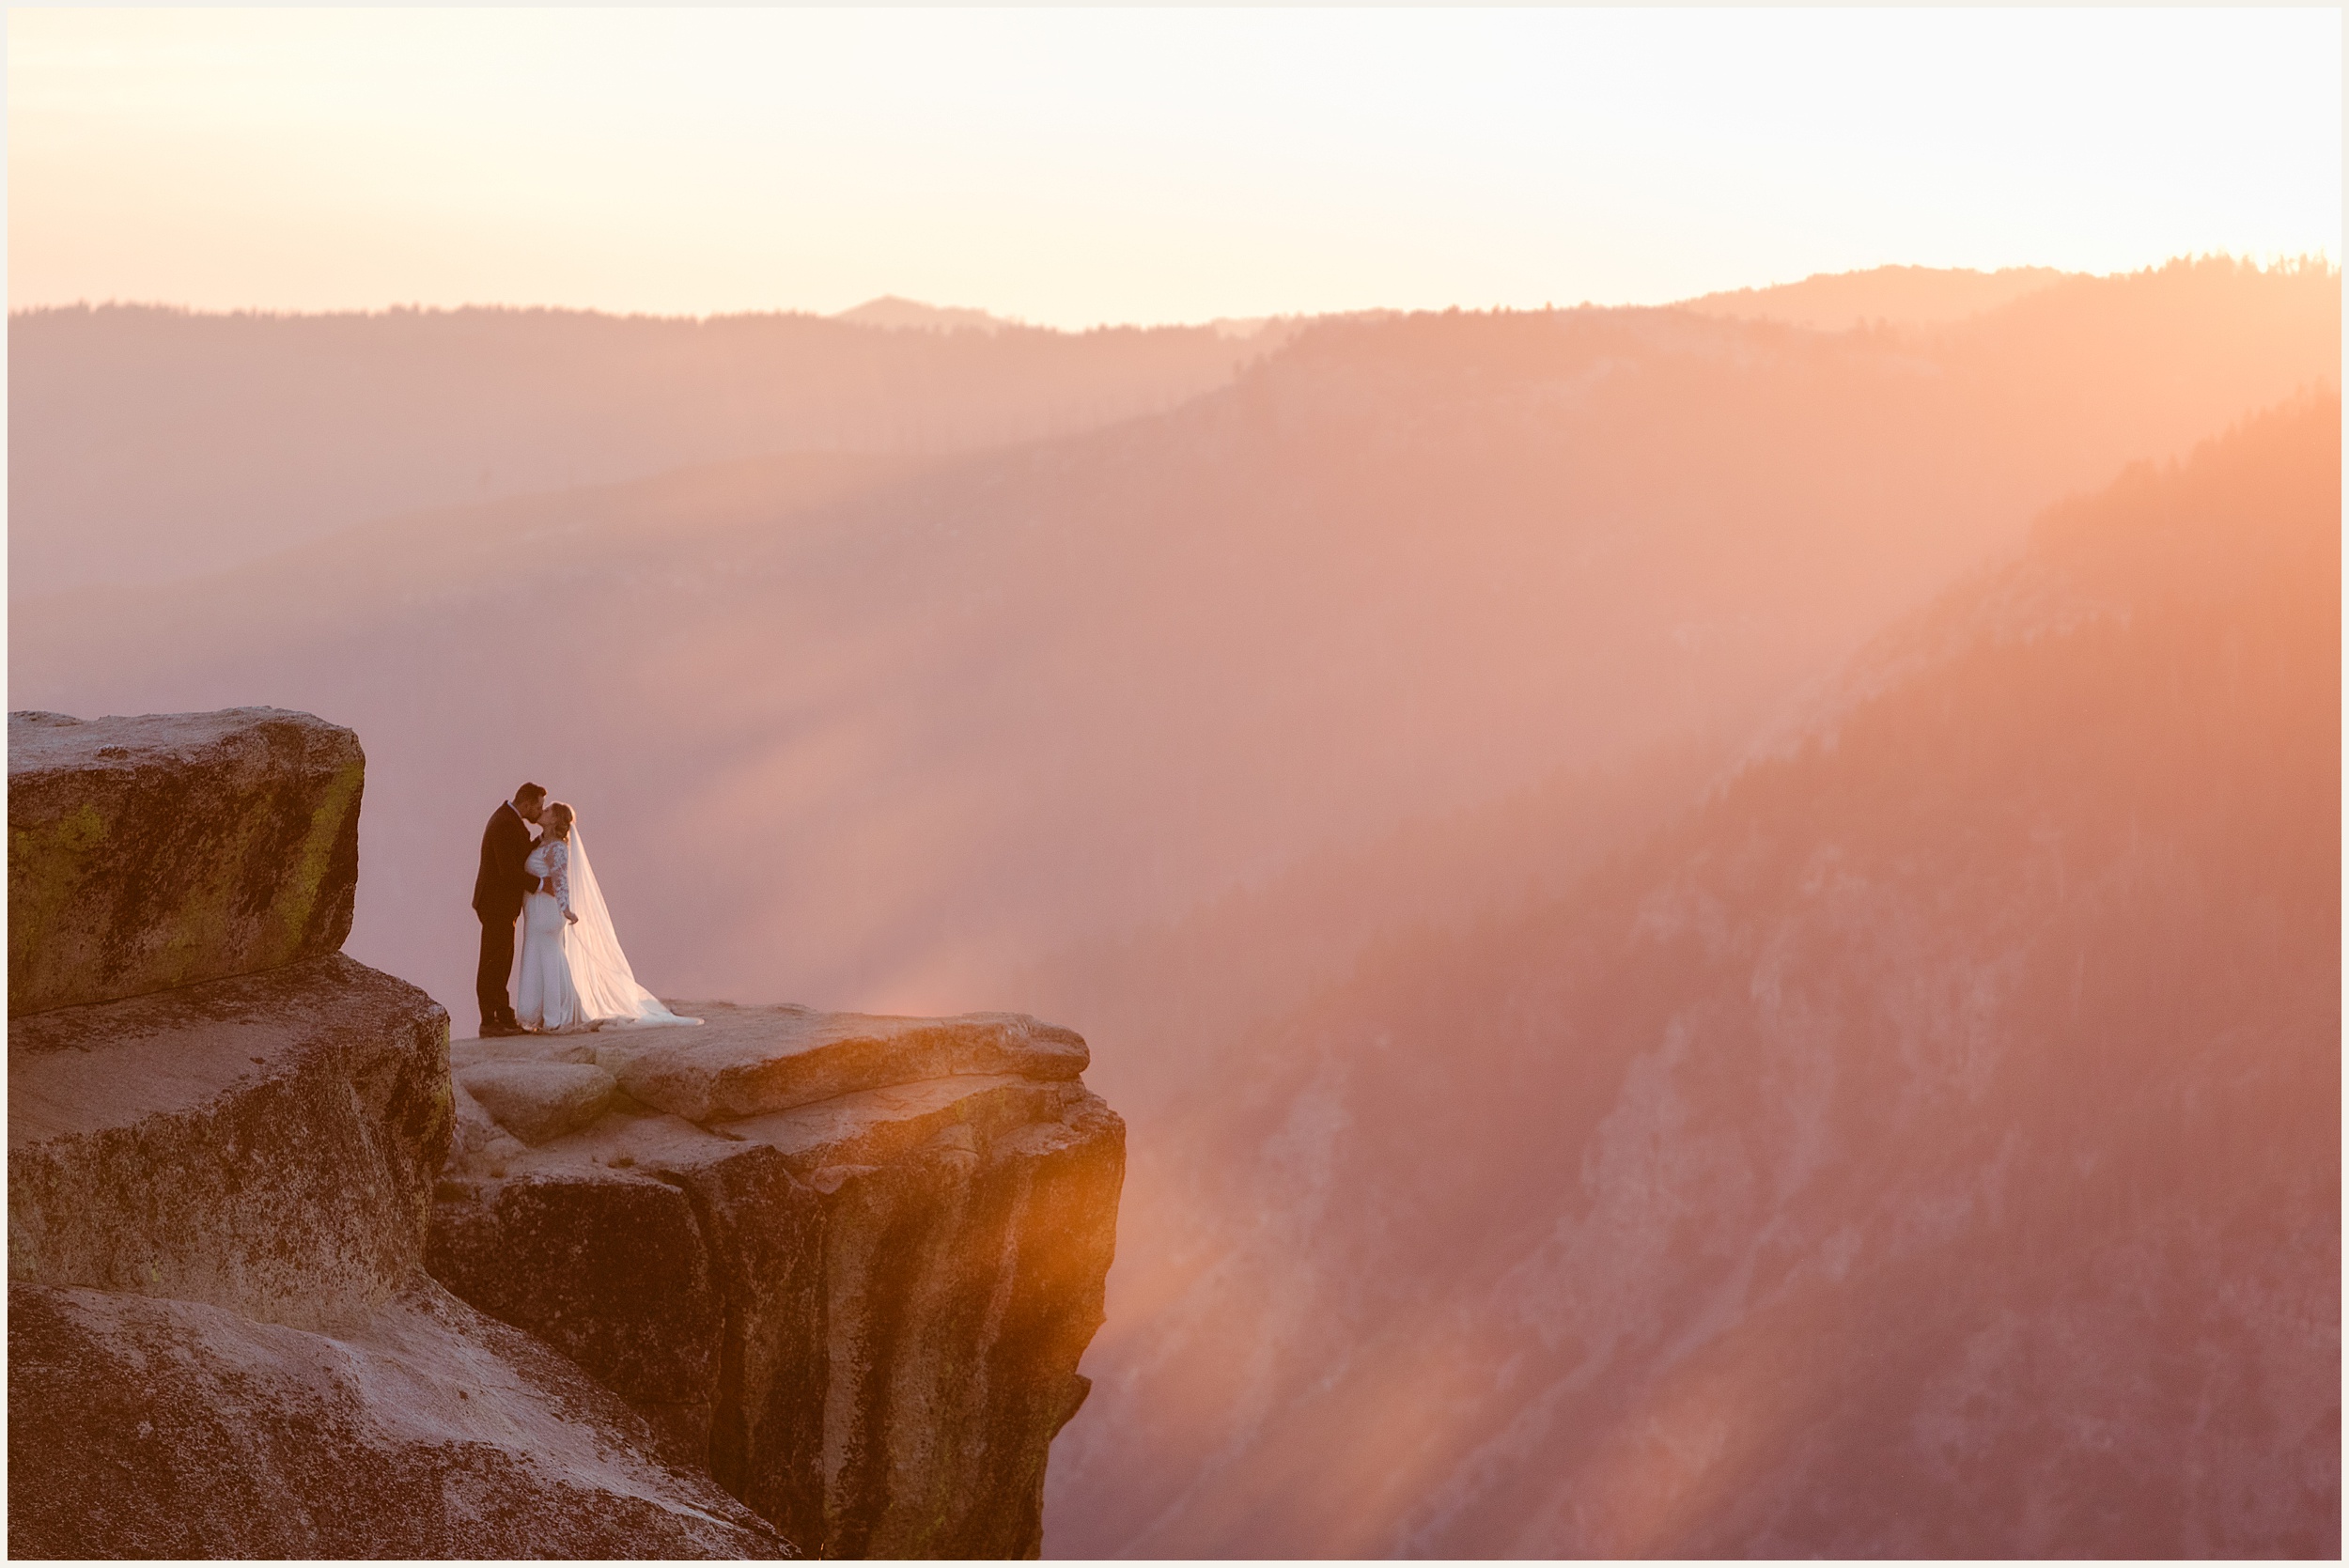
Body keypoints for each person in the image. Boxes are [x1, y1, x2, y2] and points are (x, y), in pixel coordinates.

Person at [512, 800, 700, 1032]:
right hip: (535, 912)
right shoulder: (543, 844)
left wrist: (566, 908)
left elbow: (560, 880)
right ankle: (540, 1015)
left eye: (549, 810)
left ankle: (554, 1016)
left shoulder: (557, 848)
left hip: (547, 912)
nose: (543, 811)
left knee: (549, 957)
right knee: (538, 955)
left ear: (555, 820)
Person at [472, 782, 545, 1037]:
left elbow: (518, 854)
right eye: (538, 806)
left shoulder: (509, 820)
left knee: (503, 960)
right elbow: (508, 870)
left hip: (500, 905)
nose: (539, 811)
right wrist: (540, 884)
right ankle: (489, 1020)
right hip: (495, 904)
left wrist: (540, 841)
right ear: (526, 804)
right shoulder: (504, 823)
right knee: (493, 961)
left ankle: (502, 1014)